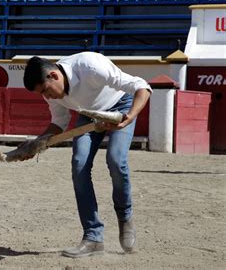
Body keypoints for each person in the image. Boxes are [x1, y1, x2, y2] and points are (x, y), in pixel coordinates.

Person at [22, 52, 152, 258]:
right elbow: (59, 122)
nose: (47, 97)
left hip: (122, 106)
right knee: (79, 164)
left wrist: (128, 118)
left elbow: (141, 86)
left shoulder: (90, 65)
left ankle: (125, 217)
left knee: (116, 160)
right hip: (88, 114)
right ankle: (93, 237)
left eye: (46, 91)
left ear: (54, 76)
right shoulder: (53, 92)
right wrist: (37, 143)